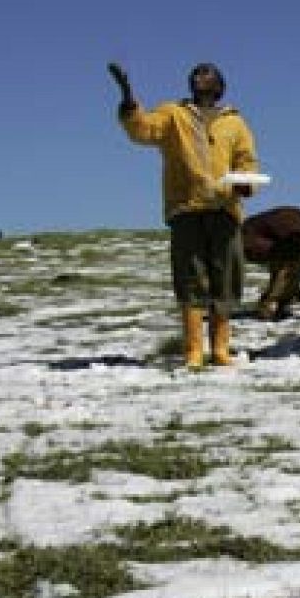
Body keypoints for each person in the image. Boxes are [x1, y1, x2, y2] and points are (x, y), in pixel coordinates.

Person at [110, 61, 259, 368]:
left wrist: (246, 183)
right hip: (186, 209)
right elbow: (143, 130)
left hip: (225, 210)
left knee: (225, 278)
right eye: (196, 74)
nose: (199, 77)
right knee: (190, 280)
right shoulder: (173, 114)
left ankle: (220, 349)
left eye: (207, 73)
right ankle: (193, 351)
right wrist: (128, 99)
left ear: (220, 85)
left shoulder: (235, 122)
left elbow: (247, 161)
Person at [240, 207, 300, 320]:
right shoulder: (299, 236)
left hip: (242, 238)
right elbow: (288, 278)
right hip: (249, 244)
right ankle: (267, 308)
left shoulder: (299, 219)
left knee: (290, 266)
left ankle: (276, 306)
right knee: (289, 268)